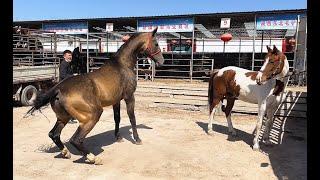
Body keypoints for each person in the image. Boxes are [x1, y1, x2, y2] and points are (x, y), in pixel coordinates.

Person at [59, 50, 78, 124]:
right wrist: (73, 76)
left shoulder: (68, 64)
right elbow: (62, 75)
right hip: (64, 86)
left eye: (71, 55)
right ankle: (67, 118)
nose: (70, 56)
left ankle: (71, 117)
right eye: (69, 55)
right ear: (64, 56)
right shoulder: (64, 64)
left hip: (68, 86)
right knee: (67, 103)